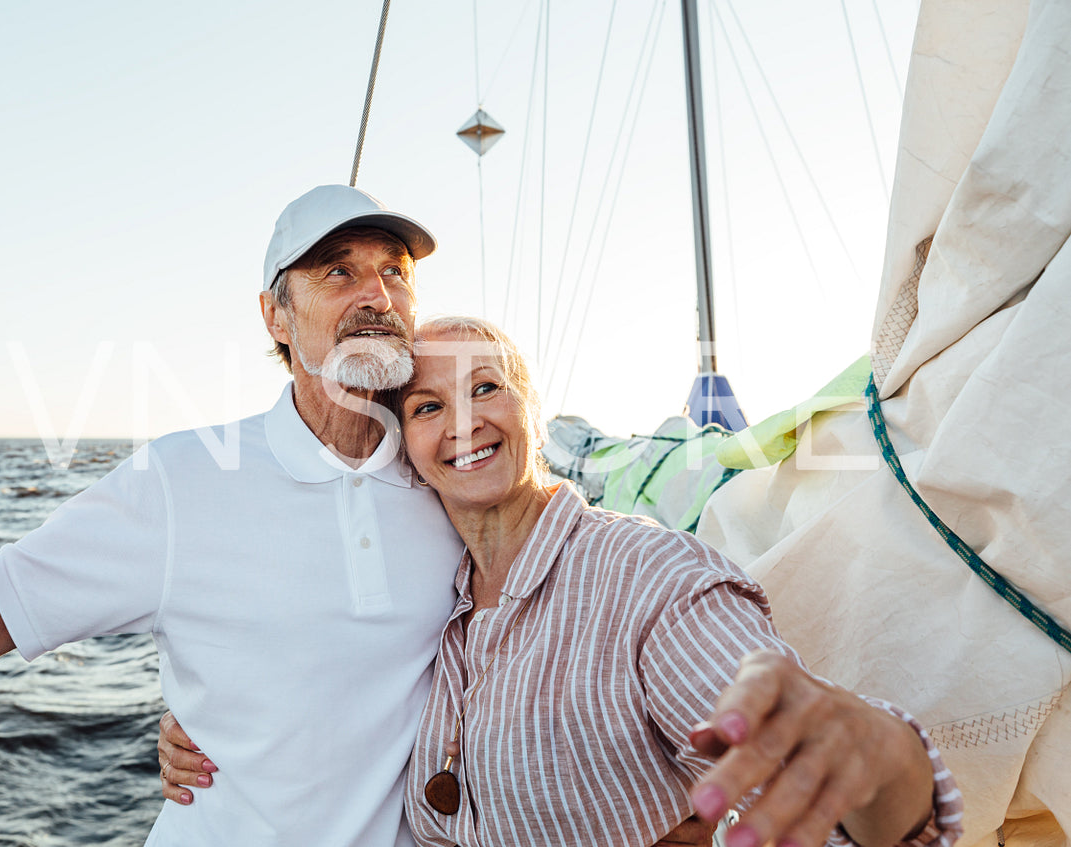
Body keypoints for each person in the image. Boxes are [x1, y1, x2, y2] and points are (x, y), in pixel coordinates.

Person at [0, 185, 463, 846]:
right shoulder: (183, 482)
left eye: (395, 271)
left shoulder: (456, 478)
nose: (377, 293)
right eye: (338, 271)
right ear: (275, 315)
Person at [160, 316, 965, 847]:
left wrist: (879, 760)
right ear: (401, 443)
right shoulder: (425, 598)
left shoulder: (647, 577)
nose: (464, 422)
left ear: (532, 412)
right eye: (428, 405)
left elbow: (820, 794)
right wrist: (212, 719)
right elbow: (315, 663)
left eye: (486, 387)